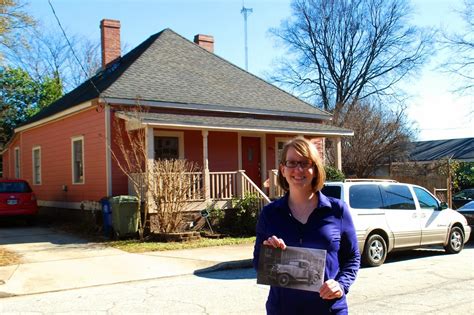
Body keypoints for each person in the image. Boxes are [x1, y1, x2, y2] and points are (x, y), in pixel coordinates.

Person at [253, 137, 360, 315]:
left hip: (329, 309)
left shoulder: (337, 210)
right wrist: (269, 253)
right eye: (292, 163)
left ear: (315, 169)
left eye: (305, 163)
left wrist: (341, 284)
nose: (298, 169)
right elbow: (258, 263)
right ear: (283, 169)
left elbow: (352, 257)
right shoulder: (270, 214)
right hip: (282, 310)